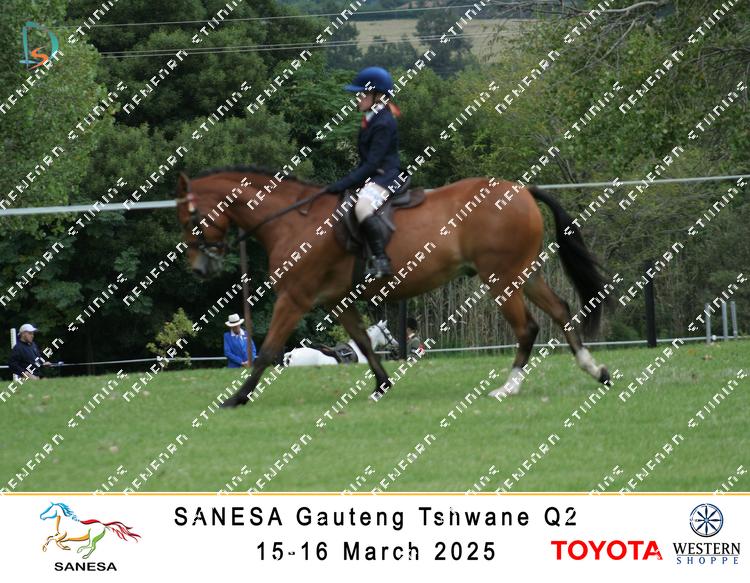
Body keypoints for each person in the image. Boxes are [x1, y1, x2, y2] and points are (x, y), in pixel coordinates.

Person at [325, 66, 402, 279]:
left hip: (385, 175)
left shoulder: (384, 122)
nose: (357, 98)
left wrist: (342, 183)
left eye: (362, 94)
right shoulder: (371, 118)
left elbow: (372, 163)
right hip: (374, 174)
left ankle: (381, 260)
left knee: (362, 207)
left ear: (378, 96)